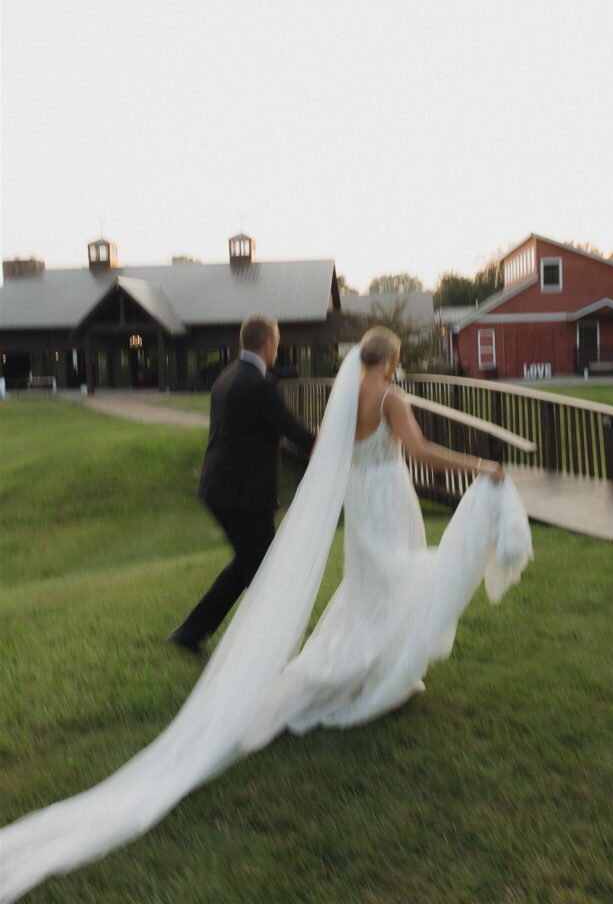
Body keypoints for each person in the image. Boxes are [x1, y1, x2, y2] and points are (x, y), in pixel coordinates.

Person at [0, 329, 531, 903]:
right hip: (386, 496)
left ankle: (372, 665)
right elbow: (421, 452)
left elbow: (325, 449)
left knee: (371, 587)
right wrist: (481, 464)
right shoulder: (390, 399)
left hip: (360, 502)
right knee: (402, 579)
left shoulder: (344, 395)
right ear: (393, 361)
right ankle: (377, 672)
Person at [168, 314, 315, 653]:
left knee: (249, 565)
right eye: (277, 343)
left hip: (220, 489)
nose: (277, 349)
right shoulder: (258, 387)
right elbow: (300, 436)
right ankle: (272, 640)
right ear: (268, 344)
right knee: (263, 568)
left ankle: (191, 632)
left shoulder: (227, 376)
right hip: (244, 497)